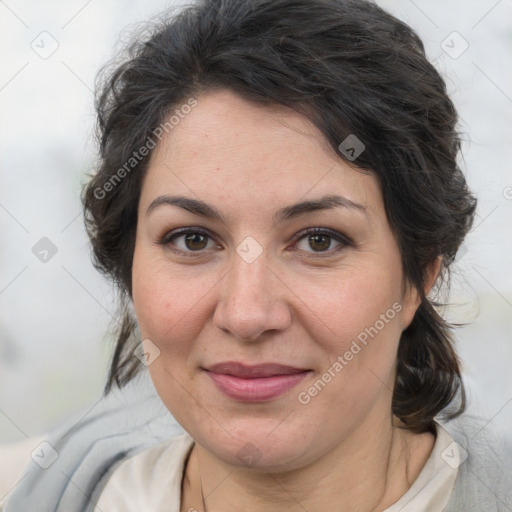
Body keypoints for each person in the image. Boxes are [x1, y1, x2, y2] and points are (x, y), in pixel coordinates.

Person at [2, 0, 511, 511]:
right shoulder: (33, 489)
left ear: (418, 274)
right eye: (193, 239)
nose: (247, 315)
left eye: (319, 240)